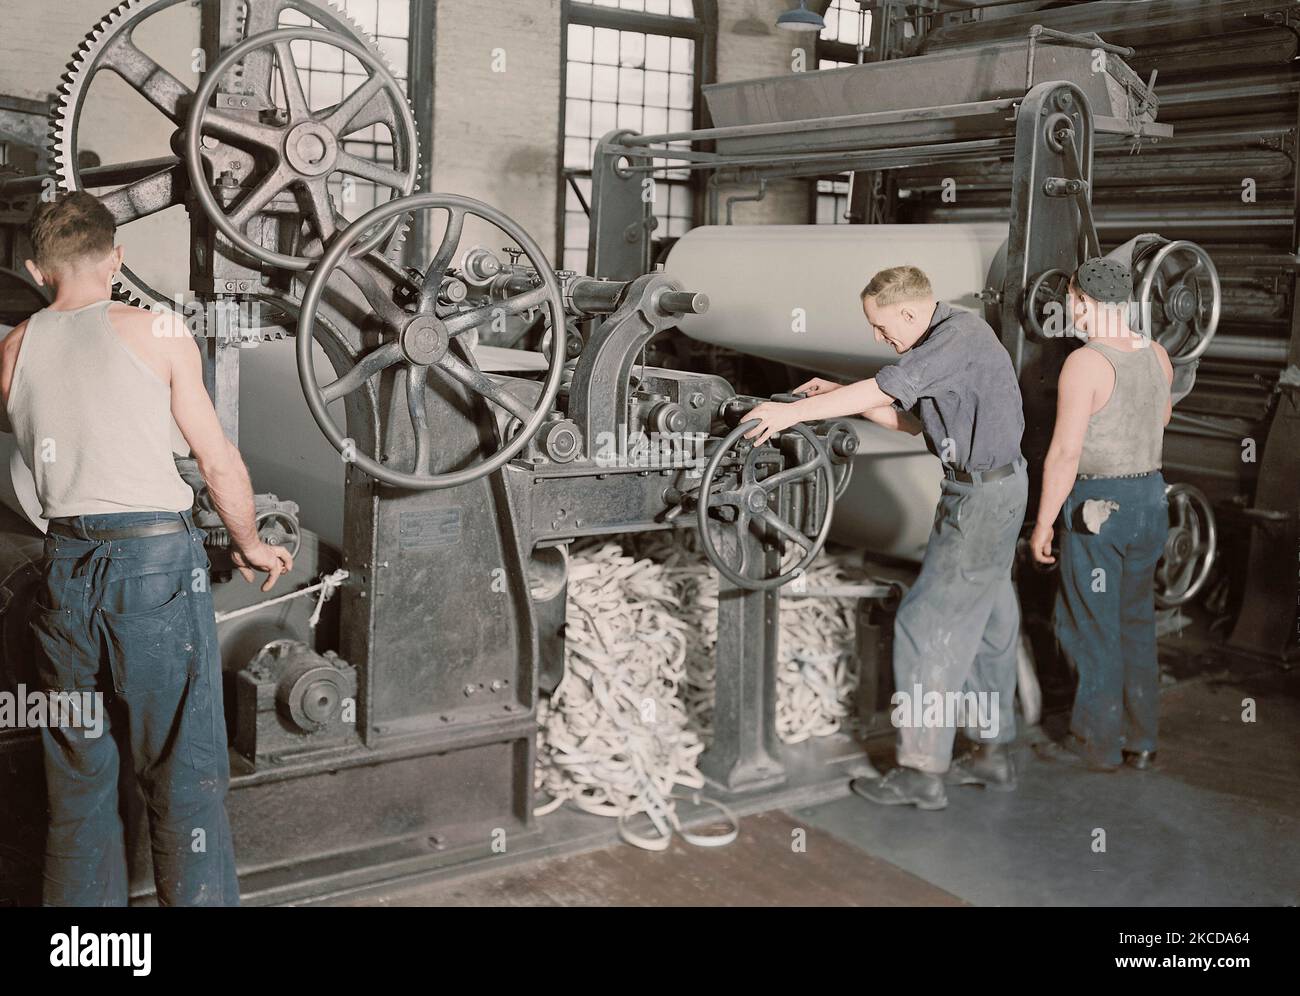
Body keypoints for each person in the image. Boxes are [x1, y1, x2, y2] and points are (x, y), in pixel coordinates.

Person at [0, 191, 293, 906]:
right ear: (117, 258)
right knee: (183, 776)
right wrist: (250, 542)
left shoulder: (13, 347)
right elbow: (219, 462)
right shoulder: (158, 331)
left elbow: (29, 471)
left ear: (38, 269)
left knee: (76, 786)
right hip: (155, 571)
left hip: (65, 571)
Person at [744, 265, 1027, 810]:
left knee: (925, 625)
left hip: (980, 502)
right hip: (997, 490)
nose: (879, 338)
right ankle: (992, 754)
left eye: (881, 326)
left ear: (908, 311)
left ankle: (920, 772)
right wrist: (848, 399)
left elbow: (884, 386)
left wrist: (789, 415)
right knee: (991, 623)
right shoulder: (955, 335)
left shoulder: (955, 339)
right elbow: (921, 425)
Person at [1029, 257, 1173, 772]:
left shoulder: (1086, 363)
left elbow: (1066, 453)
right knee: (1136, 622)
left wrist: (1045, 522)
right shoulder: (1158, 353)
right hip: (1152, 501)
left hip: (1099, 508)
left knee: (1090, 625)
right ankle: (1142, 739)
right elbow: (1161, 418)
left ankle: (1096, 742)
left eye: (1070, 300)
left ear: (1081, 302)